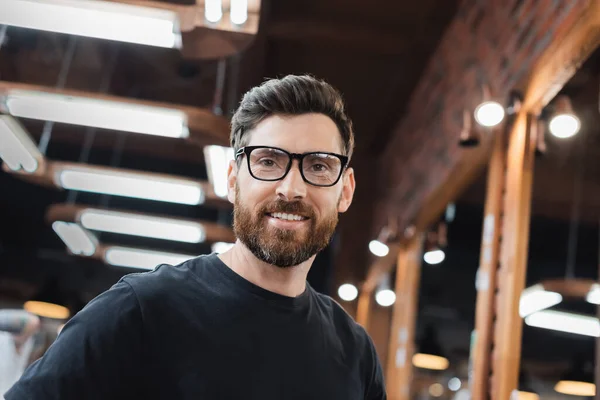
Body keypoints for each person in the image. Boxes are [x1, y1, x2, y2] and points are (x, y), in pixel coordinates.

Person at [5, 75, 386, 399]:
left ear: (346, 190)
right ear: (234, 179)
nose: (291, 188)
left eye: (318, 166)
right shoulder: (141, 311)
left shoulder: (355, 352)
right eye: (268, 161)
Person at [0, 309, 41, 399]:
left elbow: (34, 322)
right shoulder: (4, 340)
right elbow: (32, 321)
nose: (28, 336)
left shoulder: (27, 344)